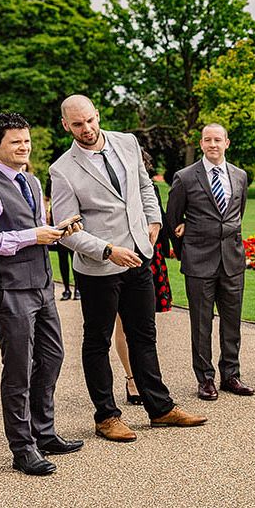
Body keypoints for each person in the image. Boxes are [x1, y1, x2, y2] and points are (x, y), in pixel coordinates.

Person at [50, 95, 207, 443]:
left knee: (144, 336)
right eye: (77, 124)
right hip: (98, 267)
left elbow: (145, 186)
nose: (87, 129)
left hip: (139, 257)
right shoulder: (62, 170)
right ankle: (106, 416)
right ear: (66, 125)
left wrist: (153, 221)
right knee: (97, 341)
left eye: (90, 120)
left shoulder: (127, 142)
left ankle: (160, 409)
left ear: (97, 114)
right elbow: (66, 231)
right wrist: (108, 251)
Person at [0, 113, 84, 476]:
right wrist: (33, 236)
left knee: (51, 358)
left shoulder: (31, 180)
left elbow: (32, 229)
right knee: (18, 370)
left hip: (42, 285)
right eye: (15, 142)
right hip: (8, 289)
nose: (24, 146)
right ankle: (22, 448)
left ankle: (43, 433)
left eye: (26, 140)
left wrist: (56, 230)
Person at [166, 123, 253, 401]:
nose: (213, 144)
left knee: (232, 321)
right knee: (201, 323)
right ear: (201, 144)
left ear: (227, 142)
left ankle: (231, 375)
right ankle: (205, 379)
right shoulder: (185, 177)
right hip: (198, 260)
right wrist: (186, 248)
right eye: (207, 140)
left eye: (218, 139)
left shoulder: (240, 176)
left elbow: (237, 214)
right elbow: (173, 219)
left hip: (232, 260)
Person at [114, 150, 173, 405]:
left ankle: (148, 379)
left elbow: (161, 220)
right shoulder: (114, 188)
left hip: (152, 258)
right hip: (120, 256)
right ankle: (131, 379)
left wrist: (171, 248)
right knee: (122, 323)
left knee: (145, 326)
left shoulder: (150, 189)